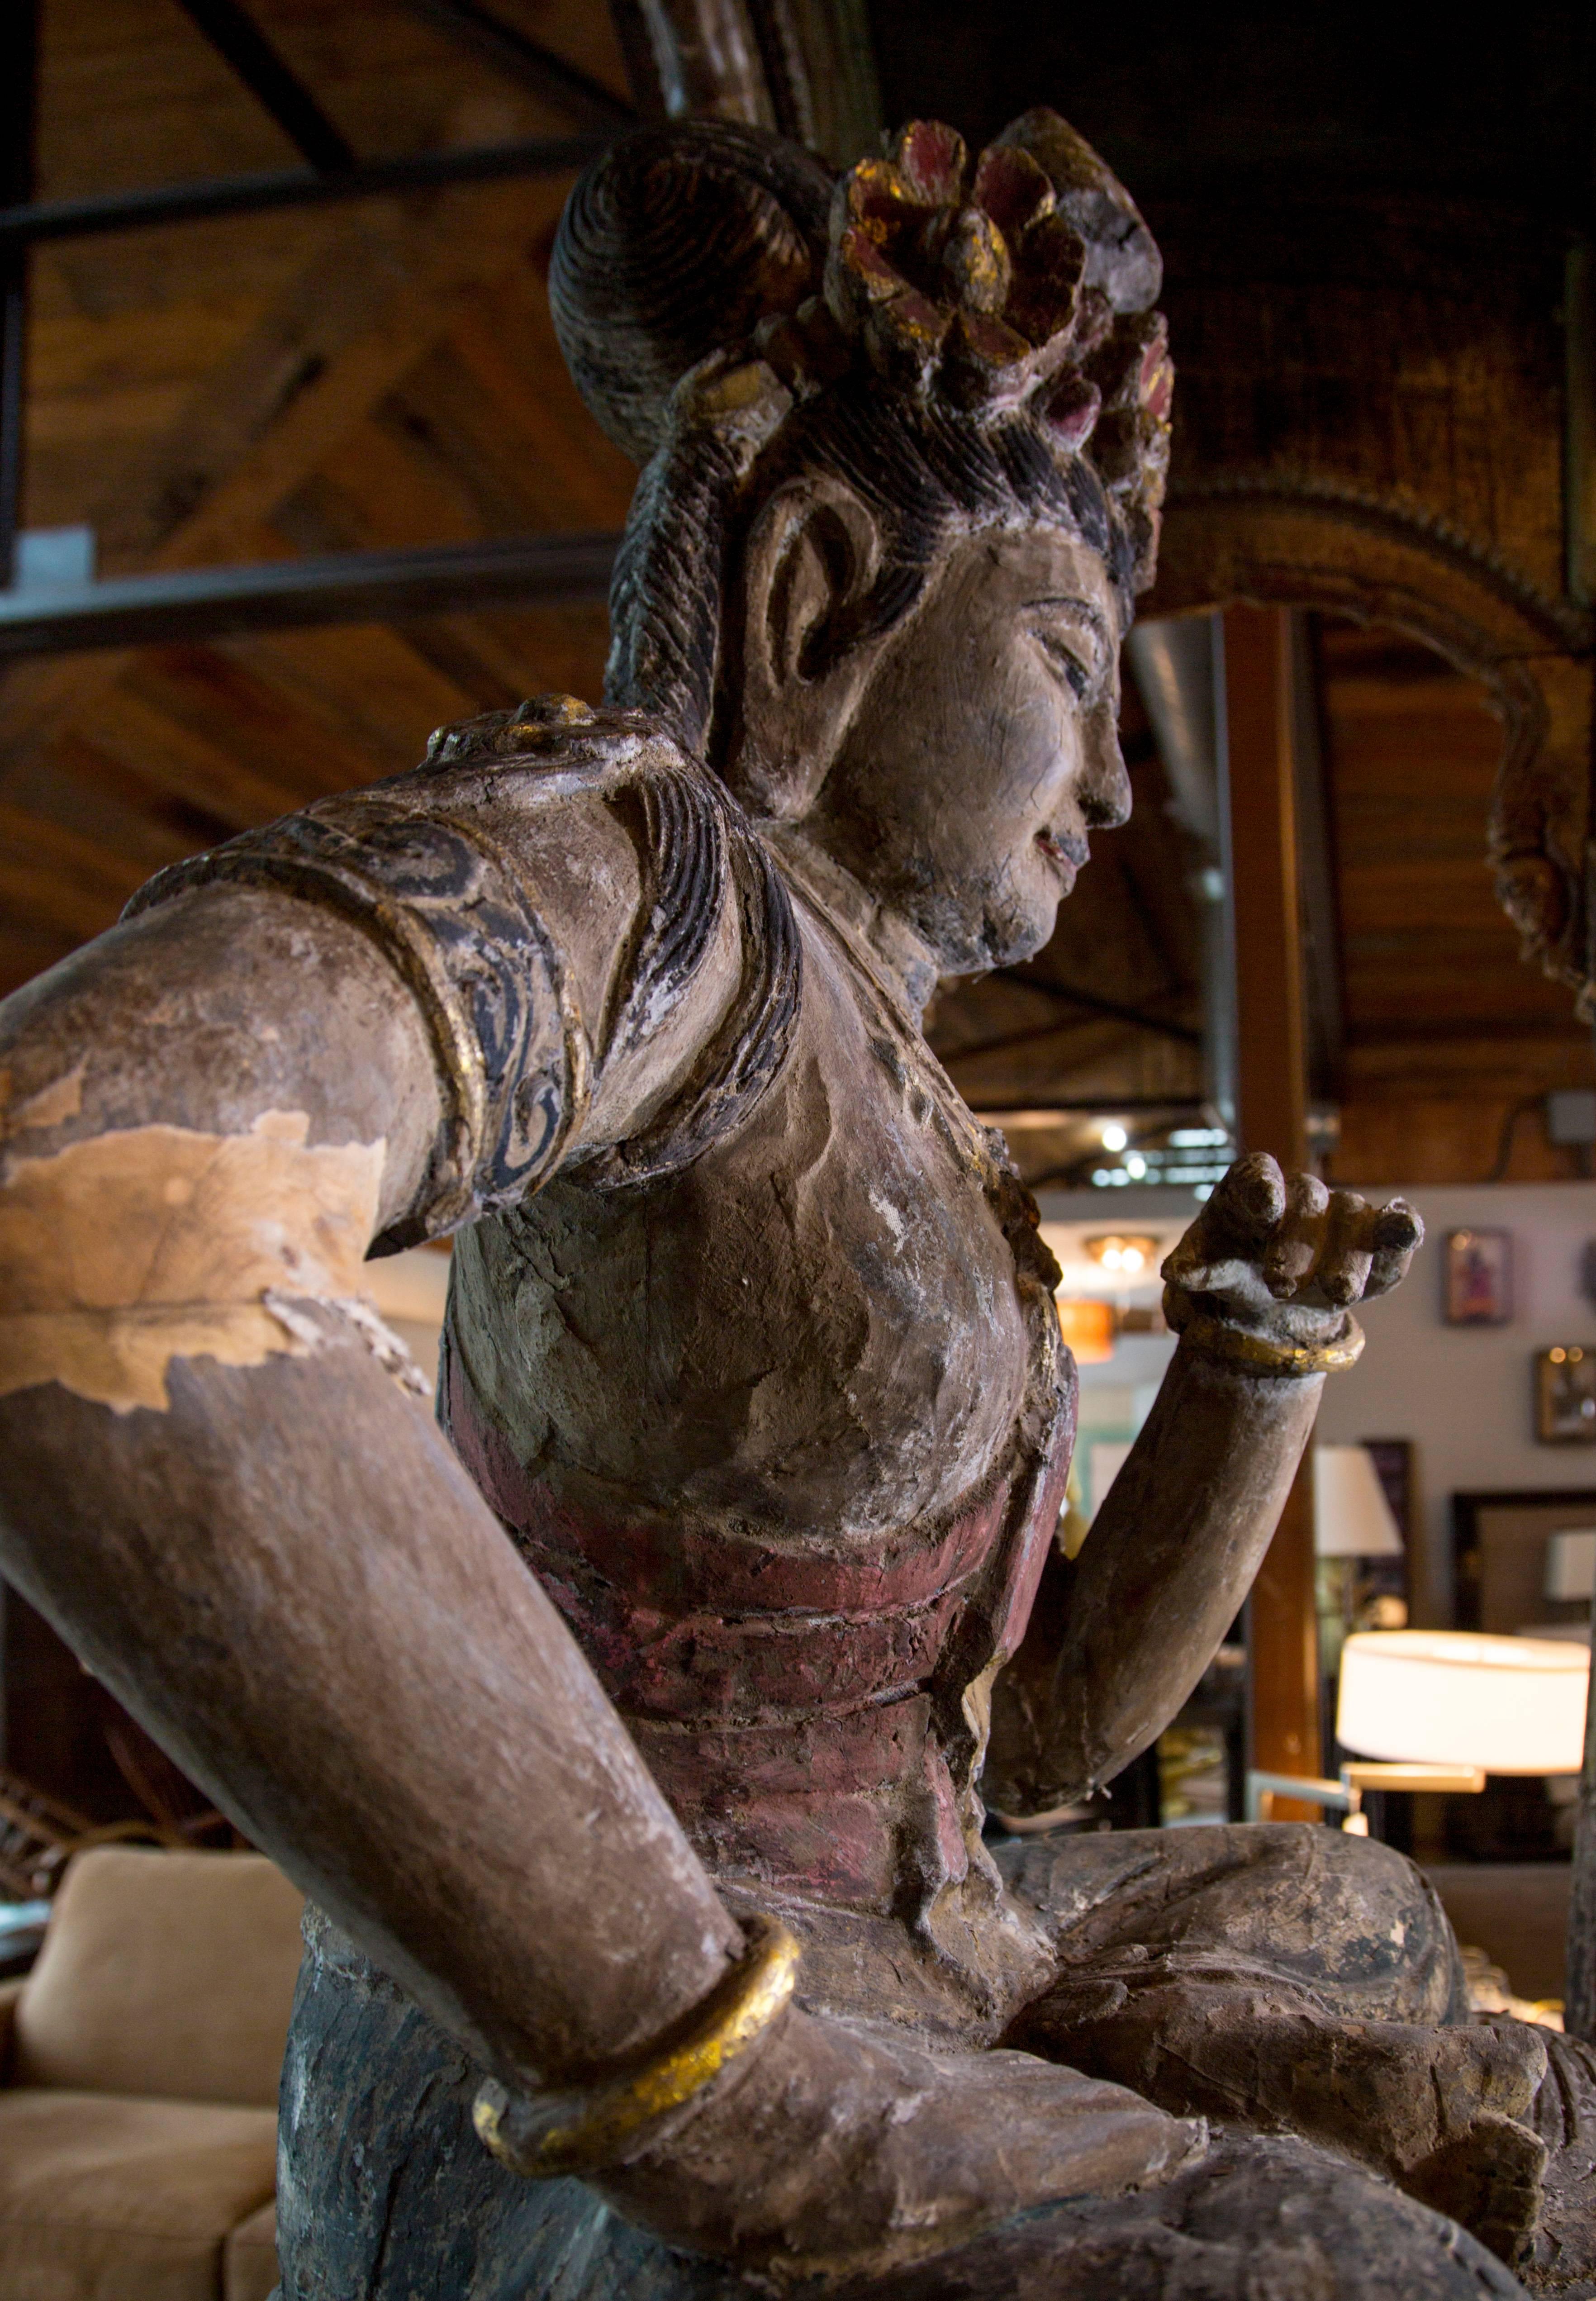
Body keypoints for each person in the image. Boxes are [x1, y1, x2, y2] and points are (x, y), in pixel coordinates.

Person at [0, 112, 1584, 2299]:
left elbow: (1030, 1743)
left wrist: (1249, 1368)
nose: (1121, 782)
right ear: (820, 595)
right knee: (1307, 2264)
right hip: (603, 2065)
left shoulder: (905, 1087)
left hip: (928, 1942)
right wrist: (733, 2094)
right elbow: (76, 1211)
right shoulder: (650, 896)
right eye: (1066, 667)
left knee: (1388, 1962)